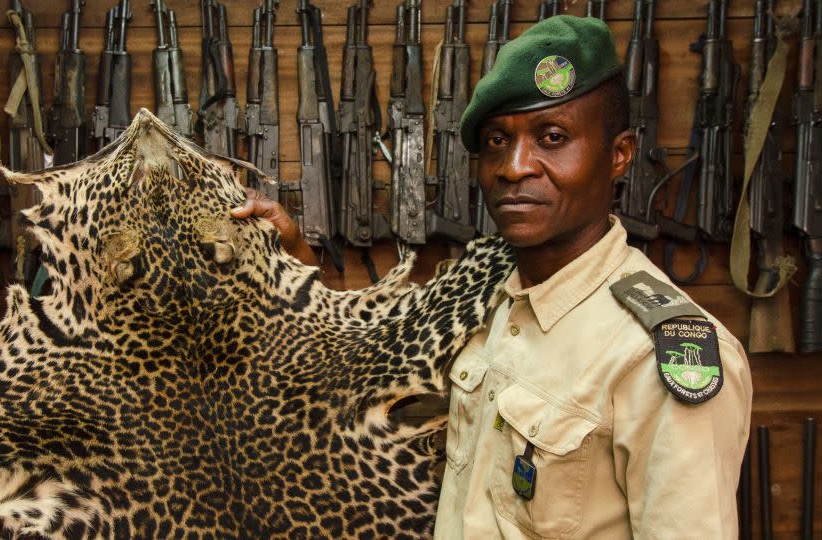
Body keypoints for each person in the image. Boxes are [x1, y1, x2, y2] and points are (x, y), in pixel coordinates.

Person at [232, 15, 752, 539]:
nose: (514, 167)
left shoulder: (658, 357)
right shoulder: (481, 287)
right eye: (498, 141)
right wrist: (290, 254)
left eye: (552, 137)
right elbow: (367, 360)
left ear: (619, 155)